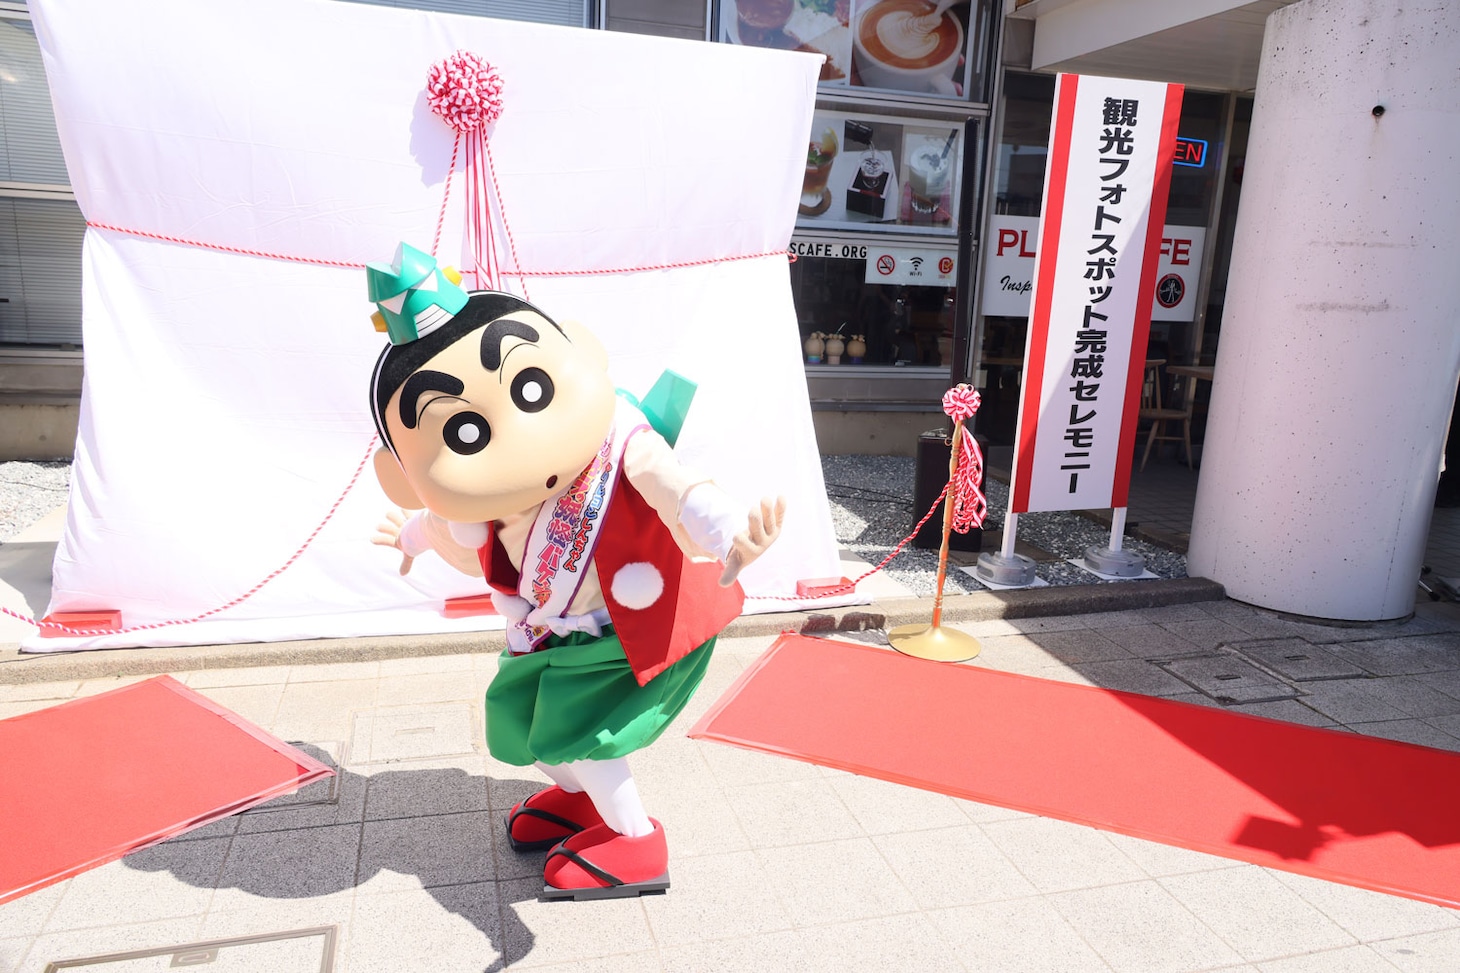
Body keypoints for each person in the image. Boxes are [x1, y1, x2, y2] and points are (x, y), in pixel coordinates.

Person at [365, 243, 784, 900]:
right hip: (549, 637)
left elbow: (681, 490)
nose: (519, 437)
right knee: (529, 730)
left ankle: (635, 840)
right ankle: (581, 802)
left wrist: (731, 534)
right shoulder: (482, 511)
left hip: (620, 636)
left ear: (581, 353)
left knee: (582, 736)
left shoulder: (623, 442)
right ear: (403, 477)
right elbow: (446, 528)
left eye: (531, 388)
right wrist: (413, 534)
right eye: (466, 433)